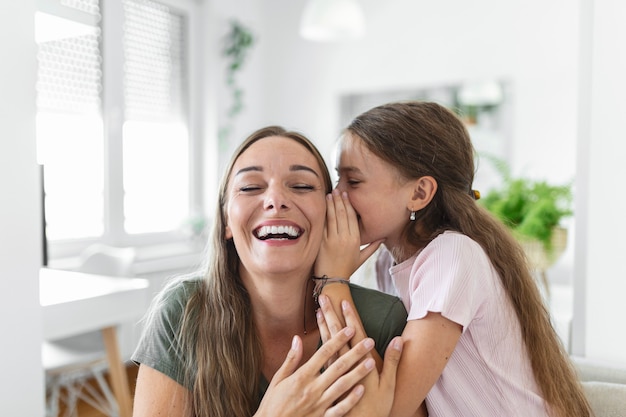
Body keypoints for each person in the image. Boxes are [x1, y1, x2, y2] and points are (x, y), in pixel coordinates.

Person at [317, 101, 592, 417]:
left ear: (420, 193)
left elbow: (390, 408)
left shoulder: (451, 256)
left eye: (353, 181)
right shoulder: (386, 262)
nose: (335, 196)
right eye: (338, 180)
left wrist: (333, 280)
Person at [131, 126, 407, 417]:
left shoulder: (384, 320)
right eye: (250, 187)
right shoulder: (183, 312)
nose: (276, 199)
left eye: (301, 186)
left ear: (330, 213)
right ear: (226, 220)